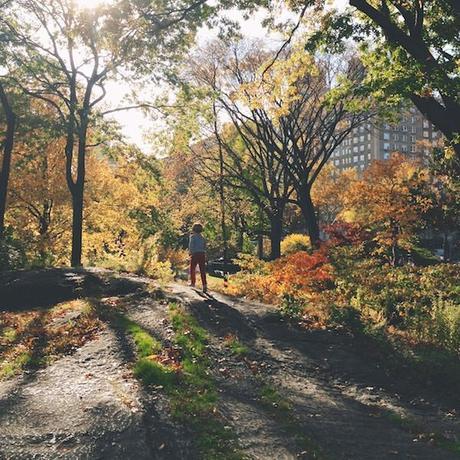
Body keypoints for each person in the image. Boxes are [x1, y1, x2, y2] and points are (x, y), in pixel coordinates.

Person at [189, 223, 207, 292]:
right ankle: (204, 285)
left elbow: (191, 245)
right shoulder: (202, 237)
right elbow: (205, 246)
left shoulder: (192, 236)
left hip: (195, 253)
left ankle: (193, 283)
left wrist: (190, 253)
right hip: (202, 253)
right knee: (202, 270)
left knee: (192, 268)